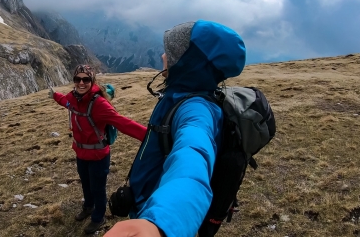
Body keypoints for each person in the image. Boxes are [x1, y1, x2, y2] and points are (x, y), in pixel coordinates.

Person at [104, 20, 246, 237]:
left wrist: (160, 224)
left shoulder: (196, 110)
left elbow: (192, 159)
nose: (163, 56)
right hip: (150, 202)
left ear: (189, 62)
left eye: (170, 52)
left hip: (157, 212)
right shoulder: (181, 95)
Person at [49, 64, 147, 234]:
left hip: (98, 156)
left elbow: (123, 123)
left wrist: (151, 137)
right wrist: (54, 95)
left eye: (85, 79)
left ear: (92, 80)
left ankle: (98, 217)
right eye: (77, 79)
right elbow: (65, 102)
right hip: (81, 153)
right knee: (86, 184)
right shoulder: (73, 98)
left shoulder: (99, 104)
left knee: (97, 188)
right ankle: (88, 207)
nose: (81, 83)